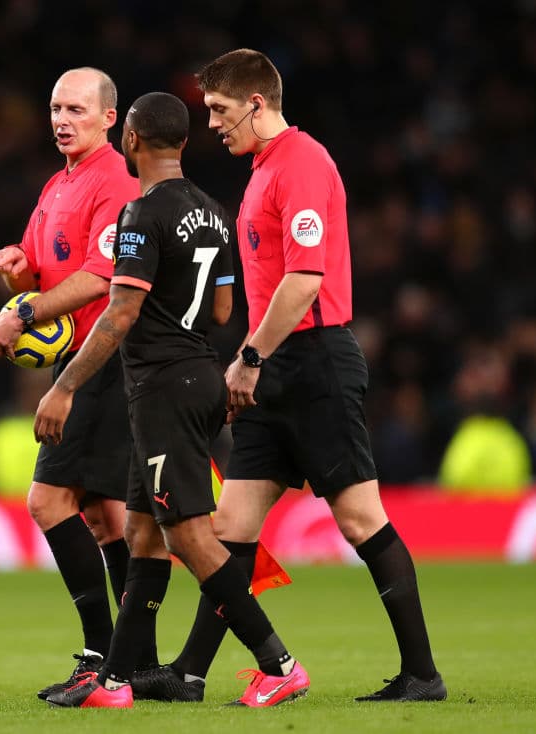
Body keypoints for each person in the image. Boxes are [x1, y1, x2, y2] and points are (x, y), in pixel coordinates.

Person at [151, 48, 446, 703]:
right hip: (275, 367)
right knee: (231, 528)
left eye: (222, 111)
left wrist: (249, 356)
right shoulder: (262, 170)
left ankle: (422, 675)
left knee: (359, 518)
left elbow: (306, 280)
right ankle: (190, 672)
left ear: (257, 103)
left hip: (314, 362)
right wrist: (258, 362)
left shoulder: (302, 163)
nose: (214, 125)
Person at [35, 91, 310, 709]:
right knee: (141, 532)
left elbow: (121, 311)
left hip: (162, 387)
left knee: (187, 535)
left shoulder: (140, 215)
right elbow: (221, 310)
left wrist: (64, 386)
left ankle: (279, 662)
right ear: (184, 142)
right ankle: (116, 682)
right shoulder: (214, 211)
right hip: (198, 374)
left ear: (130, 140)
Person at [0, 67, 144, 699]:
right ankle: (133, 660)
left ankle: (102, 657)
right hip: (73, 360)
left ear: (109, 118)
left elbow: (102, 280)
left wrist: (21, 311)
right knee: (105, 520)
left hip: (101, 362)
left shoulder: (114, 183)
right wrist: (16, 274)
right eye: (54, 107)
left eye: (75, 108)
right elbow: (40, 281)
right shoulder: (57, 184)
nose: (61, 119)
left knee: (47, 503)